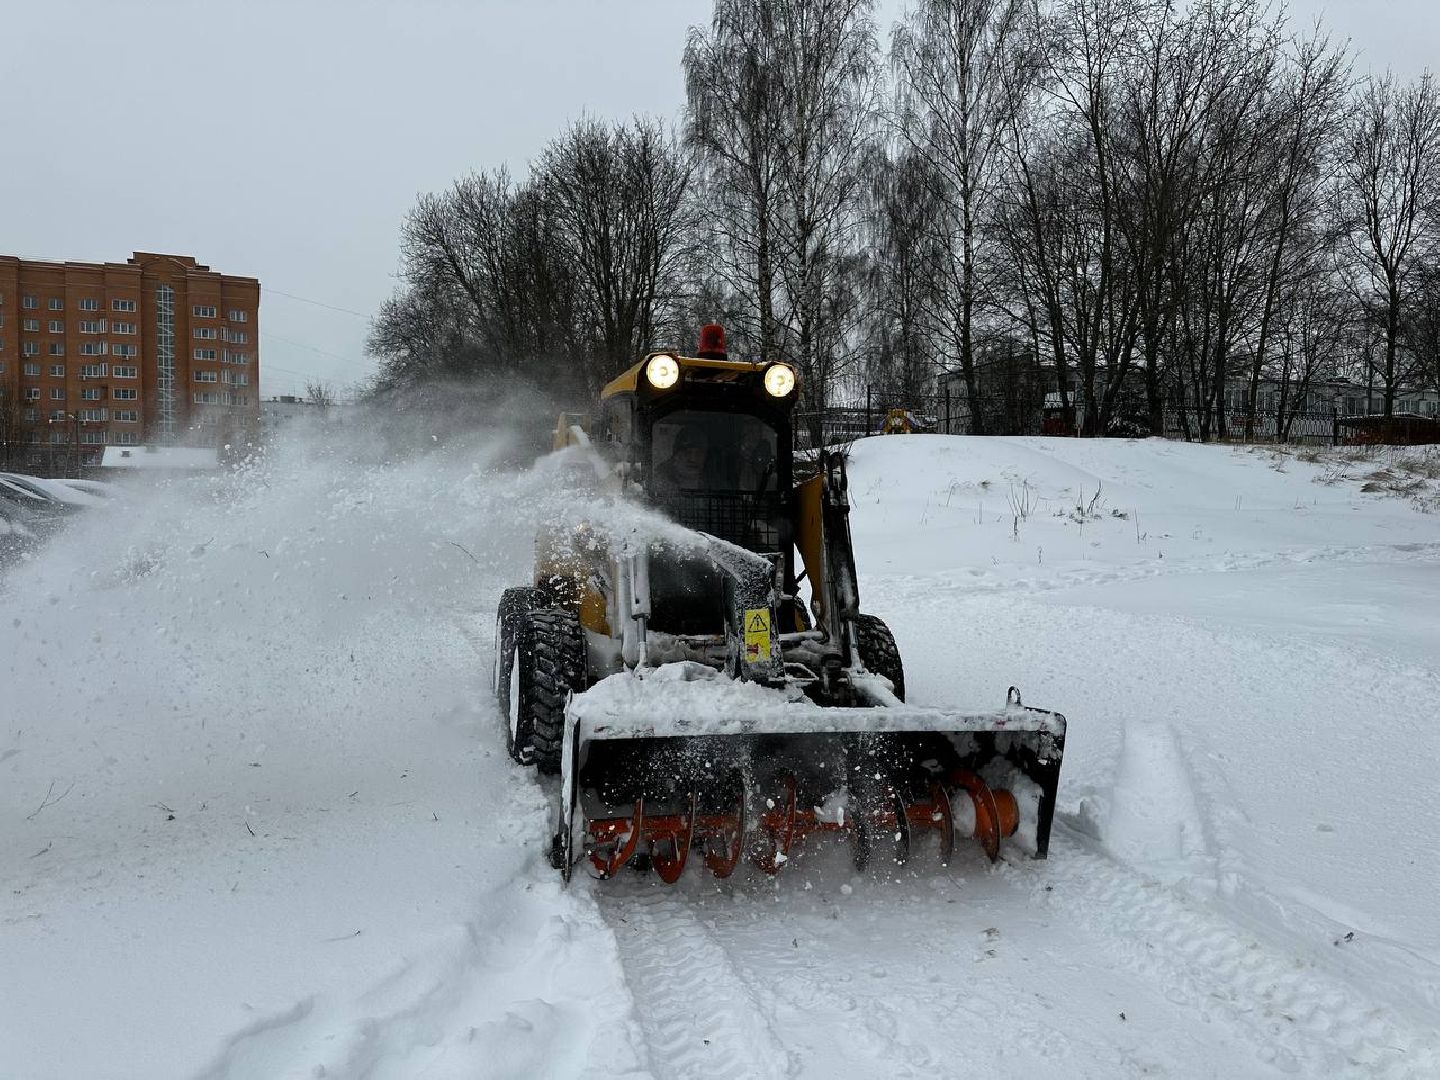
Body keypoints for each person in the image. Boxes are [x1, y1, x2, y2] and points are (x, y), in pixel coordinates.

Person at [653, 426, 709, 496]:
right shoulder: (659, 479)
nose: (693, 459)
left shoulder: (712, 481)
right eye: (687, 452)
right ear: (676, 456)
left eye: (699, 453)